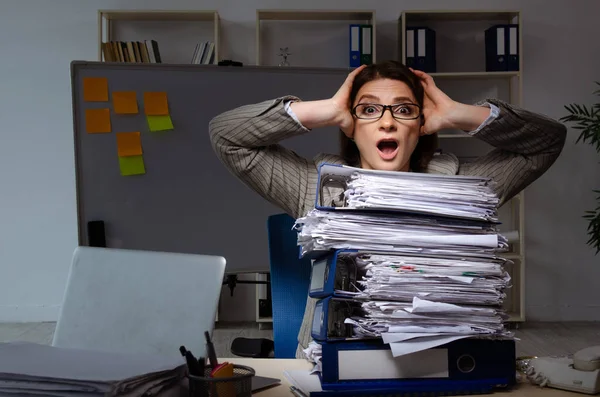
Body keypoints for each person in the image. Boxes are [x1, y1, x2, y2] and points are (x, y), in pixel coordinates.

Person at [208, 60, 567, 359]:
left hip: (442, 356)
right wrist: (328, 110)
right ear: (350, 127)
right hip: (340, 359)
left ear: (421, 125)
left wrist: (457, 114)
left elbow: (546, 142)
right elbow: (227, 135)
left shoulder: (464, 188)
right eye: (368, 110)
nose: (387, 121)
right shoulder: (314, 184)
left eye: (405, 109)